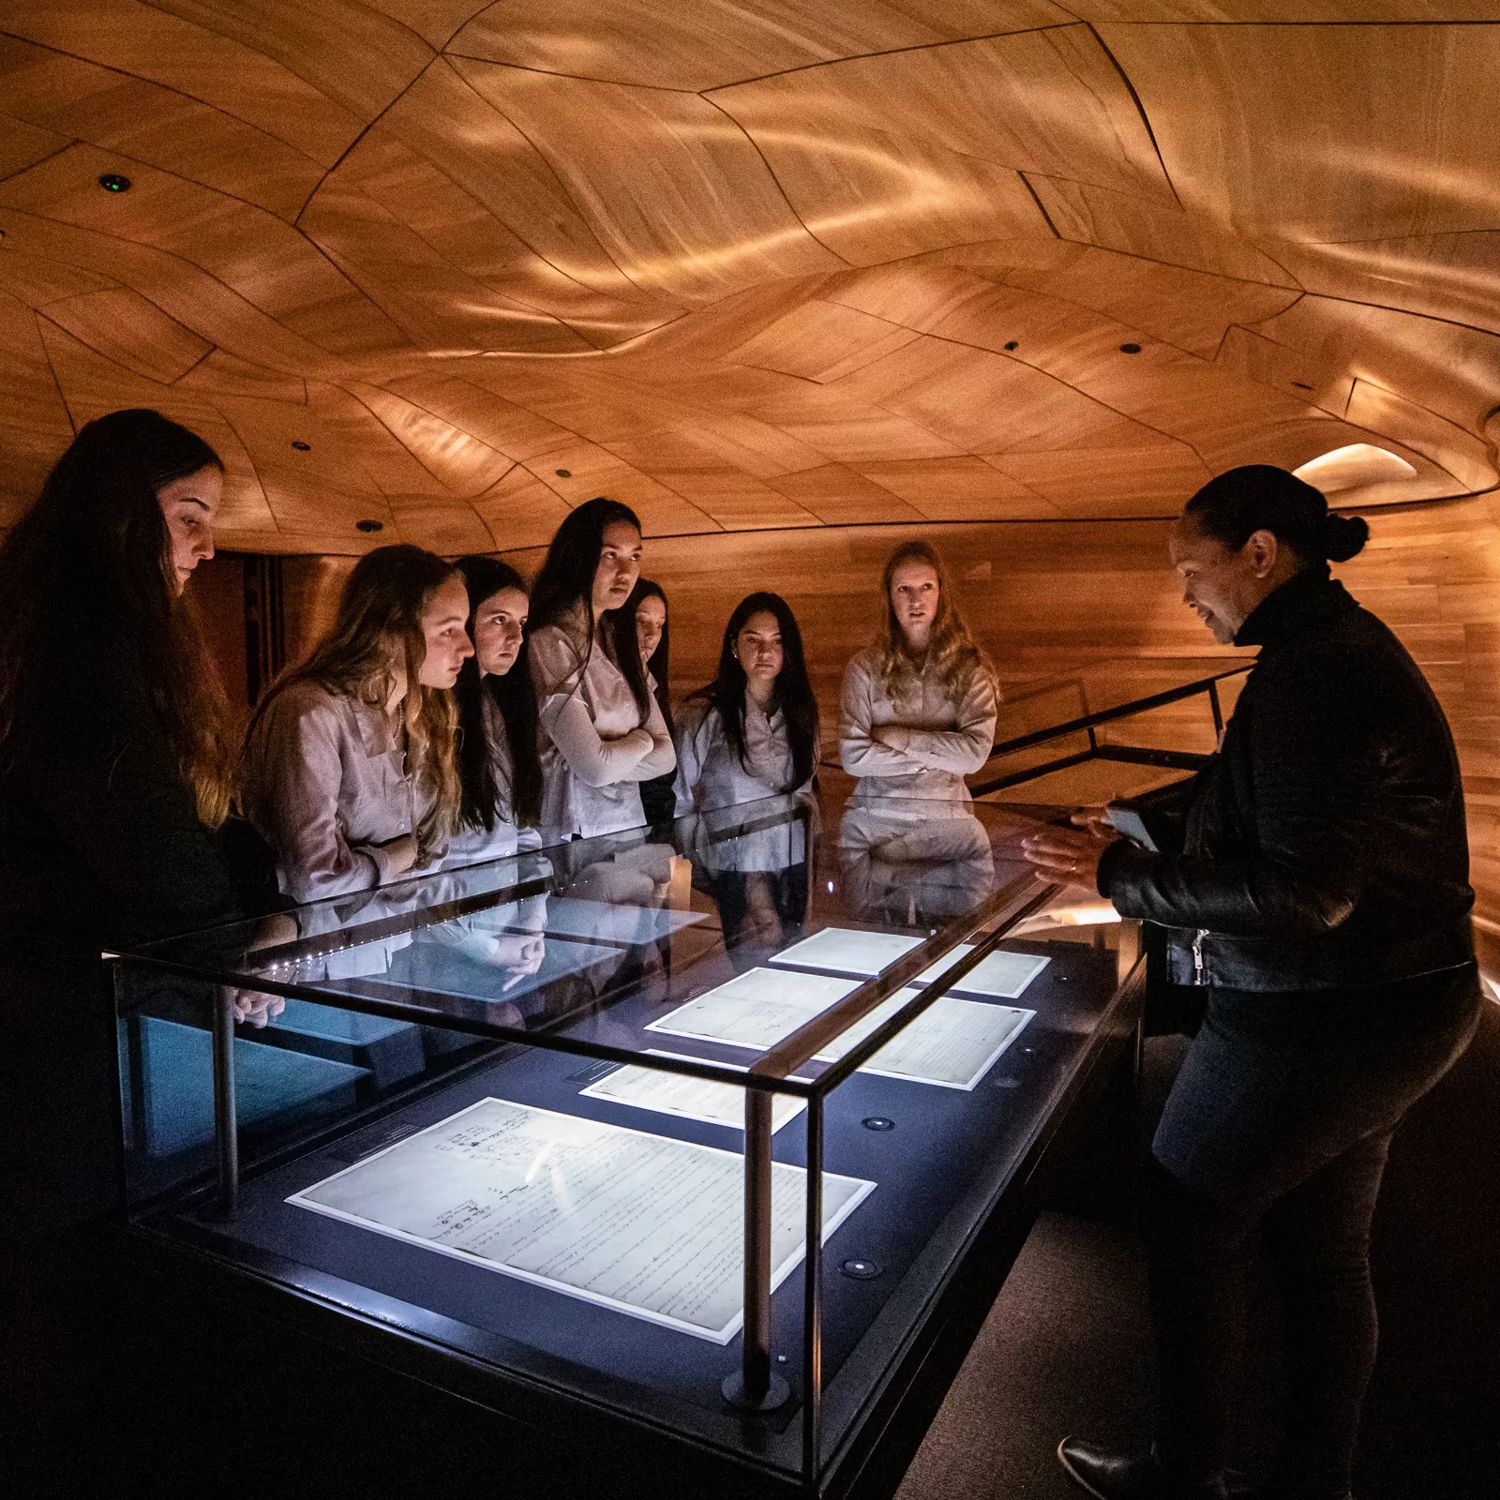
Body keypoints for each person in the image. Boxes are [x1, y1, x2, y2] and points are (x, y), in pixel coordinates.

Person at [1020, 465, 1482, 1500]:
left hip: (1323, 1019)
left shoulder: (1312, 673)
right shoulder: (1326, 650)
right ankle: (1316, 1483)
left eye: (1196, 571)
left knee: (1189, 1216)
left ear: (1260, 552)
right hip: (1402, 1006)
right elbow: (1260, 795)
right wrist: (1142, 820)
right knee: (1324, 1251)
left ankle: (1183, 1476)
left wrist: (1122, 878)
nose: (1189, 595)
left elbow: (1306, 893)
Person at [0, 409, 246, 1492]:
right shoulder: (76, 639)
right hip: (49, 1021)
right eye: (189, 517)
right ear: (121, 510)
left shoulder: (59, 625)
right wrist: (246, 918)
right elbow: (157, 847)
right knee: (57, 1317)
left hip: (56, 1006)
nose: (202, 549)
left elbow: (190, 831)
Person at [241, 544, 472, 904]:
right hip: (325, 953)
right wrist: (395, 857)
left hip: (395, 941)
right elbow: (315, 880)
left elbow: (432, 853)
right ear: (390, 628)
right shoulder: (312, 714)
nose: (468, 647)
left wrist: (385, 864)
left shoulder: (423, 714)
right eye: (448, 630)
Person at [527, 498, 675, 840]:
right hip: (573, 835)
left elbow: (667, 757)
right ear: (580, 557)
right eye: (611, 555)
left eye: (635, 556)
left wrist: (611, 755)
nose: (626, 572)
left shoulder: (620, 642)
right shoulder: (550, 644)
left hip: (628, 828)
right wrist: (641, 740)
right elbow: (594, 768)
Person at [839, 539, 999, 800]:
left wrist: (898, 738)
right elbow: (854, 758)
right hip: (877, 818)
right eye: (904, 589)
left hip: (948, 820)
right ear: (889, 597)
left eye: (926, 587)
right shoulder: (863, 669)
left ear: (940, 593)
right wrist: (937, 760)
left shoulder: (969, 668)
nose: (916, 600)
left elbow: (974, 756)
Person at [675, 590, 819, 812]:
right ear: (734, 646)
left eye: (777, 641)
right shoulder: (703, 711)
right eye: (753, 640)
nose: (765, 652)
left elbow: (806, 797)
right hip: (726, 844)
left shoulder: (801, 711)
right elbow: (678, 796)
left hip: (788, 844)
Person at [447, 555, 544, 866]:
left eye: (522, 623)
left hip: (507, 892)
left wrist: (532, 909)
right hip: (455, 897)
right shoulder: (438, 708)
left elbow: (523, 825)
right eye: (499, 619)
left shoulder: (504, 702)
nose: (516, 638)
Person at [620, 578, 676, 824]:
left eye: (659, 625)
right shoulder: (605, 688)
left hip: (646, 833)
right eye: (640, 621)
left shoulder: (653, 687)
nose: (652, 635)